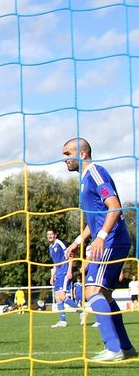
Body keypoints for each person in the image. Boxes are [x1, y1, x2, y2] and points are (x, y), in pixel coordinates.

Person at [62, 138, 135, 361]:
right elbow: (95, 218)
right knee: (105, 295)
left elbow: (114, 207)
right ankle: (126, 347)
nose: (64, 159)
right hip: (110, 239)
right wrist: (77, 241)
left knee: (91, 292)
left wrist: (101, 237)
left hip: (112, 240)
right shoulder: (85, 180)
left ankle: (113, 349)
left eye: (67, 154)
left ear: (82, 154)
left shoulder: (95, 173)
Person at [46, 229, 86, 328]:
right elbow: (55, 263)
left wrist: (69, 271)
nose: (50, 236)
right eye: (48, 235)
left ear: (55, 235)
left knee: (62, 296)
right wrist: (52, 276)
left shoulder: (60, 243)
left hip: (64, 271)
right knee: (57, 297)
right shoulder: (50, 247)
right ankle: (62, 321)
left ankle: (82, 312)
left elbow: (70, 255)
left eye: (51, 234)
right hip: (58, 274)